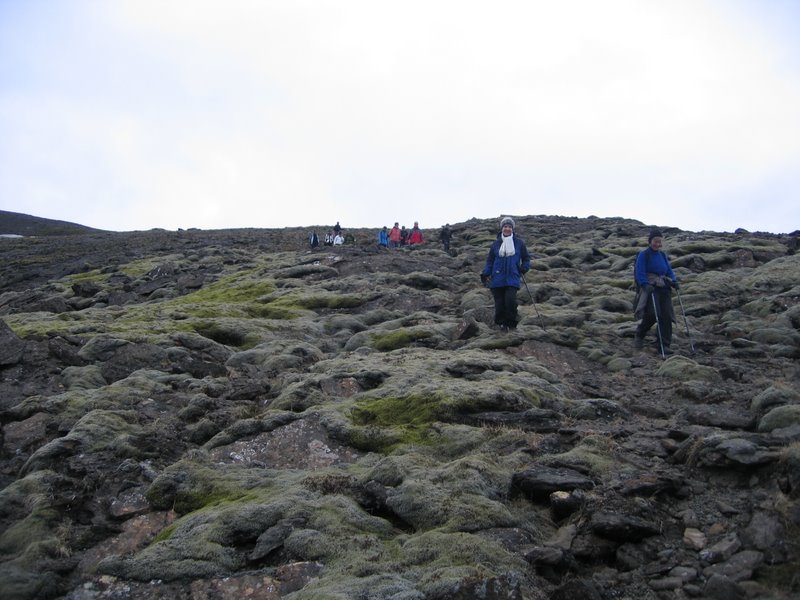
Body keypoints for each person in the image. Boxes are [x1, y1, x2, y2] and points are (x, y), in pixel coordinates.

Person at [481, 217, 531, 331]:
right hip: (497, 278)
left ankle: (511, 325)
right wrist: (486, 273)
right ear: (502, 228)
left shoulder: (519, 243)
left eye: (509, 227)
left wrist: (524, 267)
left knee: (510, 302)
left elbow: (526, 258)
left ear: (512, 229)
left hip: (512, 277)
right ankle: (501, 326)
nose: (507, 229)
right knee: (499, 305)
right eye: (505, 226)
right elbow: (490, 261)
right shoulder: (495, 244)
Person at [633, 228, 679, 354]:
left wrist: (674, 281)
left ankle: (664, 344)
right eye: (655, 241)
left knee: (666, 315)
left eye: (659, 241)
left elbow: (669, 271)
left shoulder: (662, 255)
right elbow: (640, 272)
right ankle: (640, 333)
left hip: (664, 286)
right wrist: (645, 284)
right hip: (651, 287)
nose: (658, 244)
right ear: (650, 241)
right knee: (653, 314)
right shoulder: (644, 254)